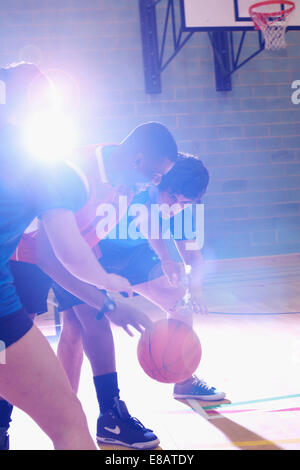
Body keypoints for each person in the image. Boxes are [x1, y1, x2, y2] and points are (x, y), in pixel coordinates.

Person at [0, 62, 178, 450]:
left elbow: (85, 246)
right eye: (156, 175)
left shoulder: (123, 186)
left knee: (79, 328)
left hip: (50, 257)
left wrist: (107, 293)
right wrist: (106, 293)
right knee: (63, 414)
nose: (156, 183)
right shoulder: (66, 169)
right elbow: (55, 253)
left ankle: (109, 412)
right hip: (27, 257)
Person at [2, 155, 225, 450]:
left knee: (170, 303)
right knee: (70, 330)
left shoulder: (147, 189)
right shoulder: (105, 178)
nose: (179, 206)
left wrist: (167, 259)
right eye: (177, 199)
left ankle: (174, 379)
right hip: (71, 253)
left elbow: (153, 227)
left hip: (109, 256)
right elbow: (53, 249)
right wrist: (107, 297)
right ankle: (81, 412)